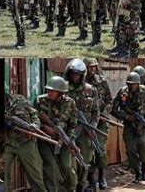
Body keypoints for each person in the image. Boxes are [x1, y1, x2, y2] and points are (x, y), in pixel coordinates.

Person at [111, 72, 145, 184]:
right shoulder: (122, 92)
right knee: (130, 149)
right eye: (130, 84)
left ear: (138, 84)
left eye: (135, 84)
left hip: (143, 123)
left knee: (142, 142)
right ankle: (137, 172)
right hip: (129, 124)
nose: (132, 86)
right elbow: (113, 109)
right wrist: (126, 116)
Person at [35, 76, 78, 191]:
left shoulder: (70, 103)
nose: (49, 93)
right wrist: (44, 127)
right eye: (48, 90)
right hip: (44, 138)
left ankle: (72, 187)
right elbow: (32, 119)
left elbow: (73, 124)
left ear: (60, 92)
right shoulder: (40, 100)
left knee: (66, 165)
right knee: (51, 166)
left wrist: (70, 140)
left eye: (52, 91)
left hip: (63, 138)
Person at [64, 59, 99, 191]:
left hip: (85, 130)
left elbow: (96, 111)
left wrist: (93, 126)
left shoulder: (90, 90)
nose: (75, 76)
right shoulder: (64, 88)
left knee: (84, 160)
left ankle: (81, 186)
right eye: (73, 74)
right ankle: (71, 186)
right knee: (68, 162)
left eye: (78, 74)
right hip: (68, 130)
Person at [5, 94, 46, 192]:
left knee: (34, 173)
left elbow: (34, 115)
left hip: (26, 141)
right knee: (5, 173)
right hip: (8, 142)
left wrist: (34, 126)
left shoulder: (20, 99)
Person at [84, 58, 112, 189]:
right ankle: (90, 180)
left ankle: (101, 176)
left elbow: (109, 101)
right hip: (86, 122)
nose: (92, 70)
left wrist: (104, 114)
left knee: (99, 148)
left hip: (101, 121)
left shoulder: (102, 81)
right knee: (88, 151)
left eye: (94, 67)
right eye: (89, 67)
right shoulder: (81, 82)